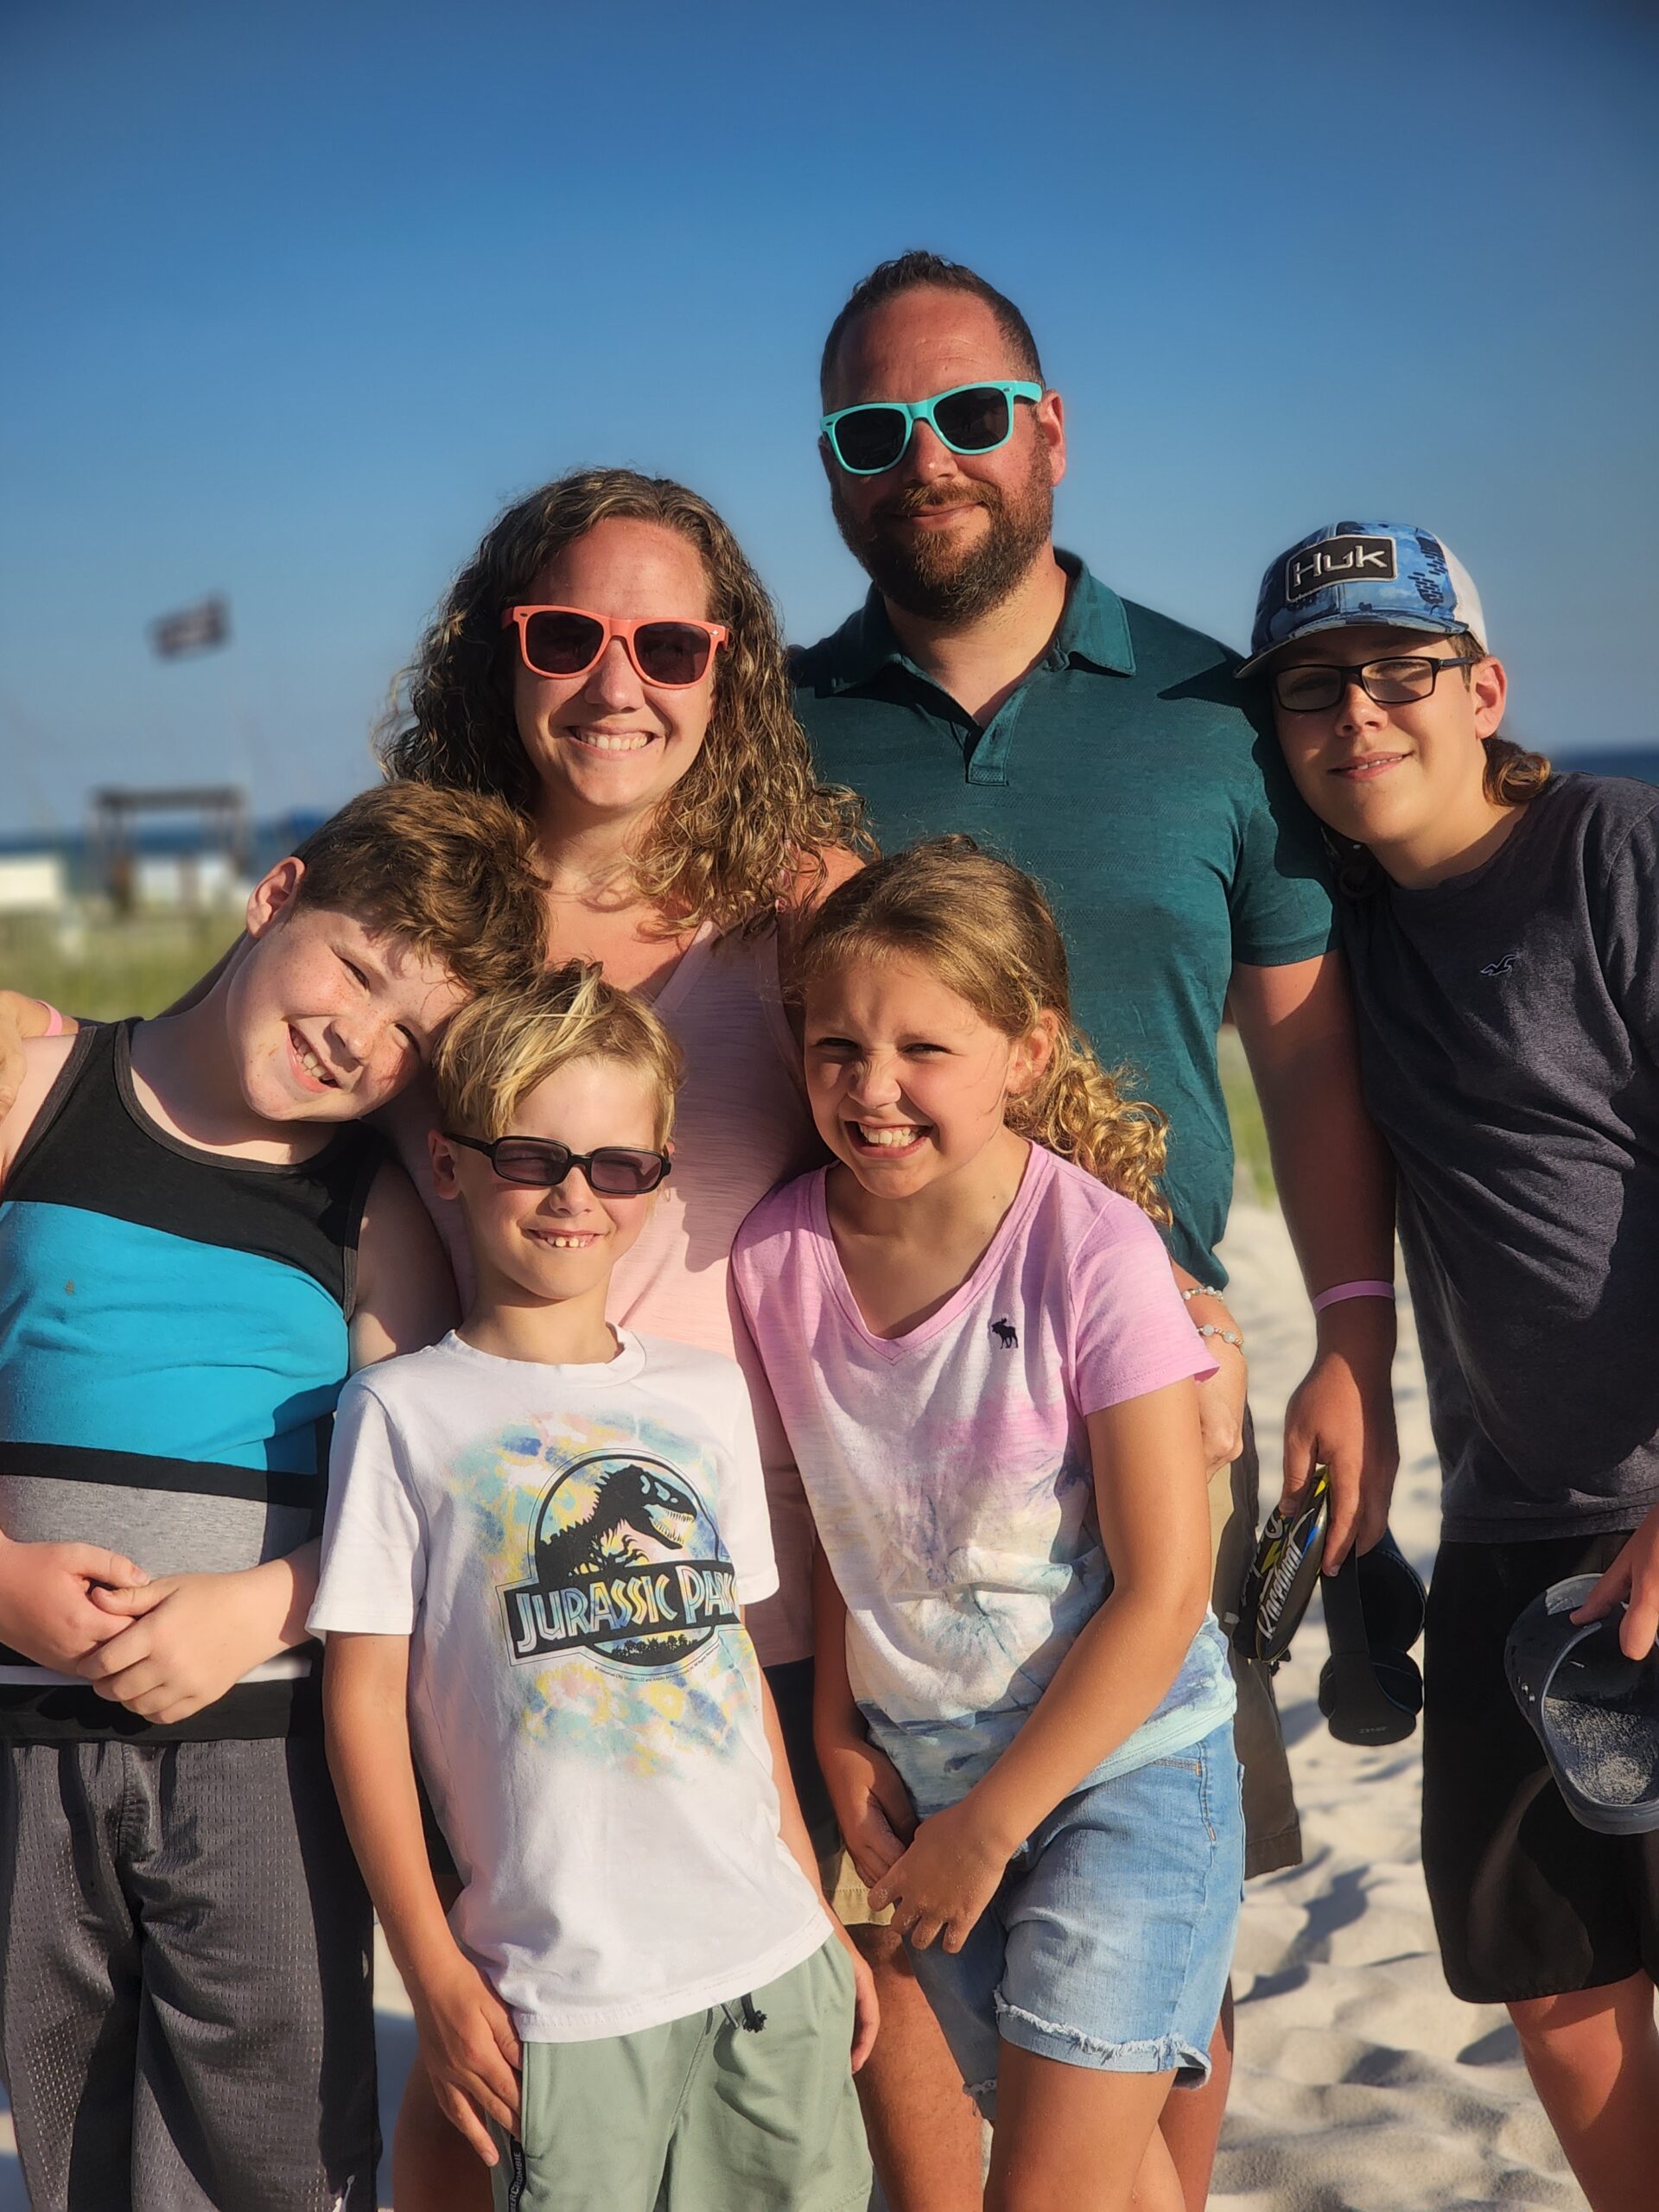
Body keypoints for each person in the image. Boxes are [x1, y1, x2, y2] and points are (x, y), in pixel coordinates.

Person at [791, 249, 1397, 2206]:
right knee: (934, 1980)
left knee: (1173, 1897)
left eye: (969, 414)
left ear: (1049, 431)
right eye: (875, 430)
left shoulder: (1215, 719)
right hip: (883, 1425)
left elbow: (1303, 1062)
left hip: (1163, 1398)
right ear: (832, 470)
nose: (928, 458)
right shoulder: (776, 731)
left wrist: (1356, 1341)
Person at [370, 466, 869, 2202]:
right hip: (491, 1593)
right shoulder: (422, 912)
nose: (616, 679)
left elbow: (965, 1110)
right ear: (501, 651)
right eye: (568, 631)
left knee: (788, 2050)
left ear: (724, 668)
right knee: (489, 2088)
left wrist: (1182, 1298)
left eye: (667, 640)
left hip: (750, 1589)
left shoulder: (796, 894)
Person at [0, 783, 548, 2212]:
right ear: (274, 893)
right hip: (20, 1728)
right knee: (64, 2136)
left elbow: (420, 1492)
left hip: (268, 1743)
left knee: (274, 2151)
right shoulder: (35, 1085)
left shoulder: (372, 1210)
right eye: (357, 968)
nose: (358, 1035)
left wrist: (259, 1606)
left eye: (410, 1035)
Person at [313, 963, 875, 2212]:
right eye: (532, 1158)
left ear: (658, 1180)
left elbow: (729, 1673)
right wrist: (436, 1971)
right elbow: (362, 1707)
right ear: (452, 1164)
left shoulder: (701, 1393)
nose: (575, 1197)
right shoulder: (401, 1411)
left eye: (618, 1166)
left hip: (769, 1963)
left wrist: (818, 1918)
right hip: (559, 1996)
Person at [1244, 519, 1659, 2212]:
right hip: (1507, 1521)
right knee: (1552, 1982)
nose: (1357, 712)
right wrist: (1345, 1347)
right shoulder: (1345, 931)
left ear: (1482, 688)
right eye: (1311, 689)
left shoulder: (1614, 850)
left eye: (1399, 670)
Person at [732, 841, 1243, 2212]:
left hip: (1125, 1773)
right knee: (1116, 2179)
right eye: (835, 1046)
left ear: (1029, 1049)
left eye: (924, 1049)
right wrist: (839, 1735)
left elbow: (1165, 1589)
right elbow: (852, 1526)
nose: (872, 1088)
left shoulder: (1092, 1250)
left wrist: (998, 1823)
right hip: (918, 1782)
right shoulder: (776, 1258)